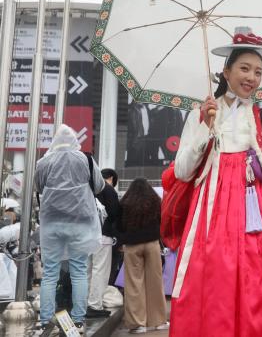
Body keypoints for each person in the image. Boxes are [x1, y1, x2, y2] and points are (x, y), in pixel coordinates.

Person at [170, 29, 262, 337]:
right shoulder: (200, 114)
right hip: (212, 217)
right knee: (216, 290)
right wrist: (206, 128)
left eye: (258, 71)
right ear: (226, 71)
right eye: (244, 68)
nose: (252, 77)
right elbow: (182, 171)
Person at [35, 124, 105, 334]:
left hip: (52, 223)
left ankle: (46, 320)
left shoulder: (44, 162)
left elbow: (39, 187)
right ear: (75, 141)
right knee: (79, 271)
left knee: (49, 273)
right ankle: (78, 321)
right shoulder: (86, 159)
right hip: (80, 223)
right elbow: (99, 186)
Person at [117, 178, 168, 333]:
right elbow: (162, 221)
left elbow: (120, 225)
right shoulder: (155, 201)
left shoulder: (125, 203)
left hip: (133, 245)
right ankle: (159, 321)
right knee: (155, 282)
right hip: (152, 244)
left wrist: (122, 239)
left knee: (134, 284)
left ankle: (138, 324)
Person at [86, 168, 120, 318]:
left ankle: (82, 303)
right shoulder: (108, 190)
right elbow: (115, 214)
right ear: (111, 178)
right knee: (100, 270)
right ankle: (94, 305)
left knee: (85, 270)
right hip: (103, 236)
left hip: (85, 235)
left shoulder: (88, 188)